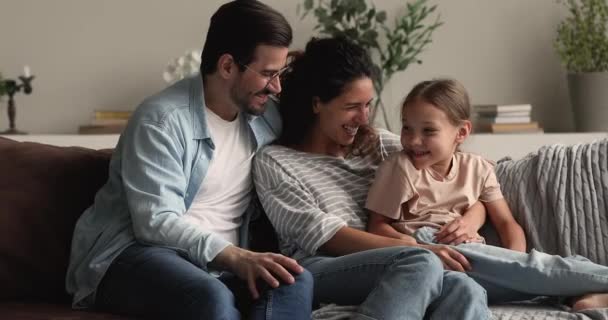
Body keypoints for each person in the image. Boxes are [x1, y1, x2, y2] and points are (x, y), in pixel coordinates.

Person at [65, 1, 313, 319]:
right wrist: (235, 257)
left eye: (279, 73)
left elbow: (322, 133)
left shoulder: (265, 117)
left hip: (221, 263)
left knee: (294, 280)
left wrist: (371, 136)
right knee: (210, 296)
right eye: (267, 74)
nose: (276, 86)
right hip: (134, 254)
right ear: (227, 66)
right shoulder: (162, 119)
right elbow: (155, 222)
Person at [253, 36, 491, 320]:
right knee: (422, 263)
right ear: (317, 103)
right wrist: (416, 248)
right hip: (321, 267)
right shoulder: (275, 161)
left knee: (466, 289)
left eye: (368, 105)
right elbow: (324, 236)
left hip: (399, 261)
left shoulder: (380, 145)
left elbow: (477, 182)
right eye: (352, 106)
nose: (364, 118)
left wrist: (470, 219)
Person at [366, 78, 608, 311]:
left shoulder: (477, 168)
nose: (413, 140)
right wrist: (417, 248)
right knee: (534, 270)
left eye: (428, 131)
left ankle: (581, 293)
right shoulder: (399, 167)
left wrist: (513, 262)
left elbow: (507, 223)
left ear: (461, 133)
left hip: (469, 256)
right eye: (407, 128)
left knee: (530, 270)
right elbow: (376, 227)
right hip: (429, 247)